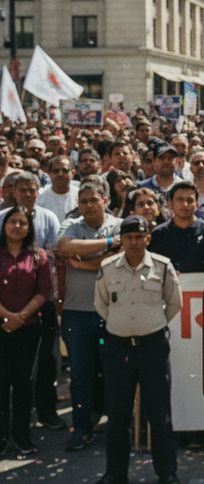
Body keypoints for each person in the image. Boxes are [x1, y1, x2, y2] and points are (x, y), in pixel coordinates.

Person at [92, 215, 182, 484]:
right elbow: (102, 305)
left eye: (139, 237)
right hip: (118, 348)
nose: (134, 242)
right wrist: (125, 327)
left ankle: (167, 473)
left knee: (159, 413)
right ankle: (115, 474)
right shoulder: (107, 268)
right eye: (129, 237)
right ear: (121, 239)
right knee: (117, 414)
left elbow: (174, 303)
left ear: (147, 238)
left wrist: (149, 324)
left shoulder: (162, 266)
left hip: (152, 347)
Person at [57, 177, 122, 451]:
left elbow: (117, 258)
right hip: (77, 313)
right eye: (83, 201)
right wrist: (107, 243)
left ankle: (117, 429)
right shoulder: (70, 225)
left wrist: (81, 264)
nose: (88, 205)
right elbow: (65, 249)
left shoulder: (120, 225)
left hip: (112, 313)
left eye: (94, 200)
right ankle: (81, 428)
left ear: (105, 201)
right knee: (80, 376)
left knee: (115, 374)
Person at [0, 206, 50, 455]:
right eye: (13, 222)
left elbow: (44, 291)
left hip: (28, 327)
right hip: (0, 326)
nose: (17, 226)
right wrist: (6, 317)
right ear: (4, 224)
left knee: (23, 382)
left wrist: (20, 316)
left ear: (29, 228)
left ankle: (22, 435)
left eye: (22, 223)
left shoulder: (38, 255)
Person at [149, 181, 204, 274]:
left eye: (190, 200)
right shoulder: (159, 233)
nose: (185, 204)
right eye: (180, 200)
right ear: (170, 204)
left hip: (200, 287)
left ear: (197, 205)